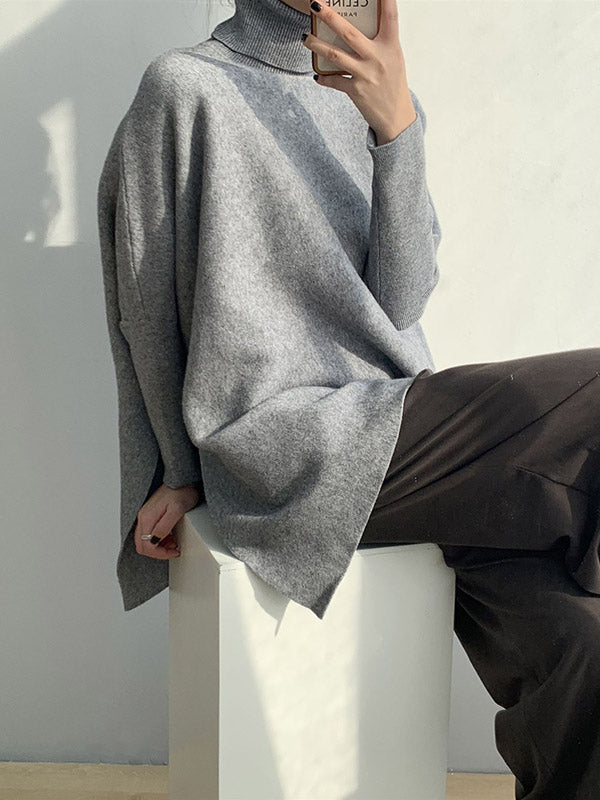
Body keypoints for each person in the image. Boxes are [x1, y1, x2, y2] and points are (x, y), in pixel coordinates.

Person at [97, 1, 600, 797]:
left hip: (402, 431)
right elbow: (145, 308)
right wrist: (178, 472)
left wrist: (396, 127)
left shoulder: (377, 90)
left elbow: (401, 300)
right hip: (287, 439)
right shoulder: (186, 88)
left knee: (584, 642)